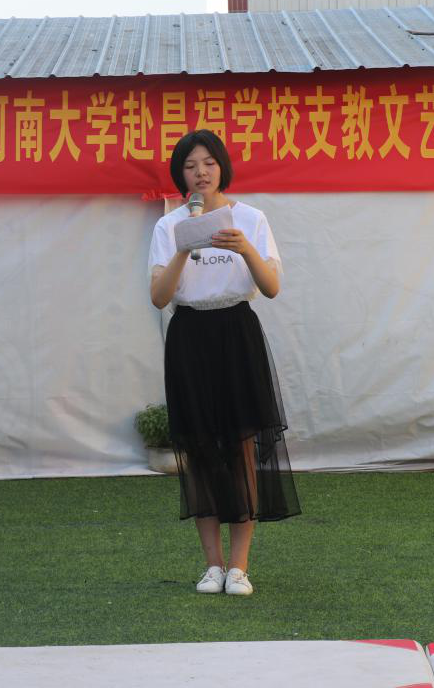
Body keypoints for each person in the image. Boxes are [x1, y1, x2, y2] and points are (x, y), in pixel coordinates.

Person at [148, 129, 300, 596]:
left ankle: (239, 567)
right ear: (180, 174)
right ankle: (211, 566)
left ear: (222, 167)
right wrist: (183, 248)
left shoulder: (250, 218)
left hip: (236, 331)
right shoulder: (169, 226)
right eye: (190, 165)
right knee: (199, 450)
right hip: (189, 335)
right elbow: (159, 297)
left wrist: (245, 248)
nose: (201, 173)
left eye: (209, 163)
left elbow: (271, 288)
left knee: (241, 448)